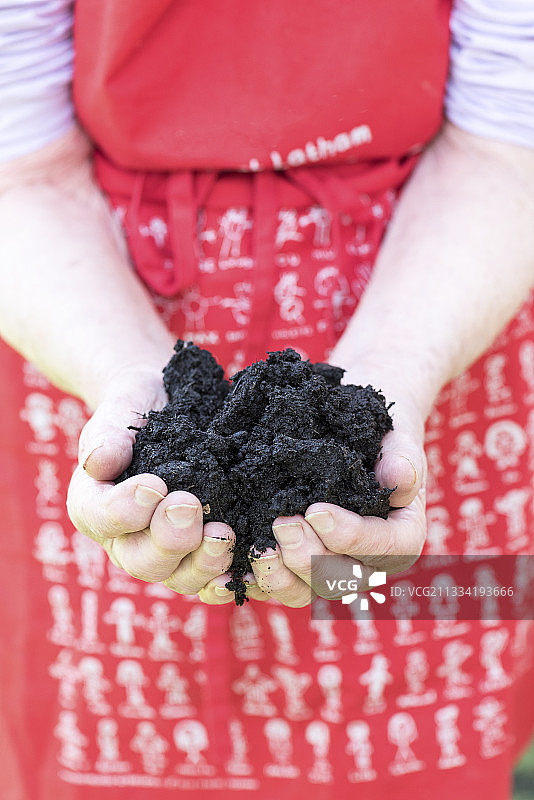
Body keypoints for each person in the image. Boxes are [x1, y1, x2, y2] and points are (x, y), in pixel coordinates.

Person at [0, 1, 533, 798]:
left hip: (435, 306)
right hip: (91, 307)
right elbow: (18, 165)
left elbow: (507, 144)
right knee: (130, 697)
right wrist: (126, 377)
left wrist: (394, 378)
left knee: (377, 591)